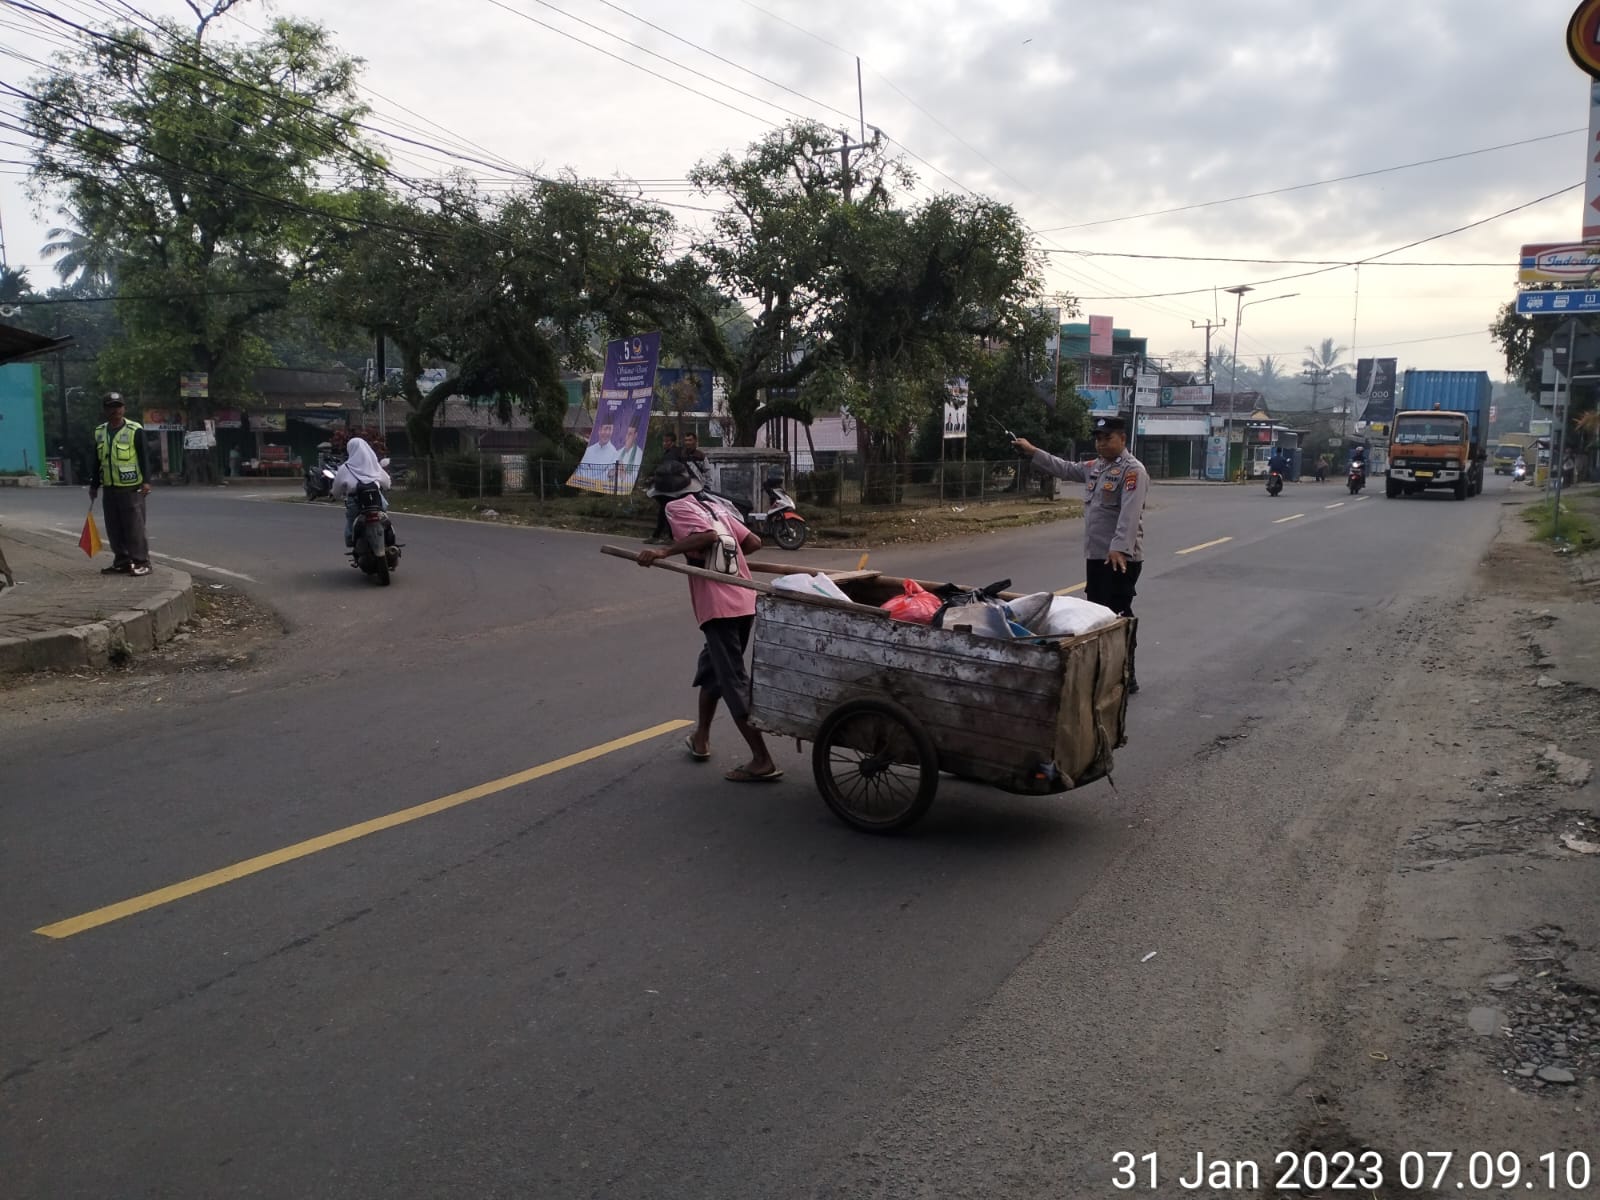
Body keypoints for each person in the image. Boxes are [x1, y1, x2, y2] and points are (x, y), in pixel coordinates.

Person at [636, 458, 781, 782]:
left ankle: (762, 759)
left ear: (661, 495)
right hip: (744, 601)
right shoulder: (715, 506)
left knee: (732, 681)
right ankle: (701, 737)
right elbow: (753, 543)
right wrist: (732, 560)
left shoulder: (676, 509)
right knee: (712, 670)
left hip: (720, 606)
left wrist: (663, 552)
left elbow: (705, 537)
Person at [1013, 414, 1147, 692]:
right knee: (1097, 615)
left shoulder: (1133, 471)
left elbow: (1130, 514)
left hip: (1119, 558)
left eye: (1107, 438)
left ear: (1122, 438)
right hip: (1098, 555)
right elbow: (1064, 468)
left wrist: (1119, 548)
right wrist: (1032, 451)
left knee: (1119, 614)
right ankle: (1102, 671)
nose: (1101, 444)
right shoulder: (1096, 467)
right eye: (1097, 439)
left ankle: (1127, 672)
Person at [88, 392, 153, 576]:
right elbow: (97, 460)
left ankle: (142, 562)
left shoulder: (135, 430)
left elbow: (144, 457)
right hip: (109, 487)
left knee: (134, 527)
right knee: (114, 528)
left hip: (131, 487)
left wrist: (147, 481)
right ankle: (122, 561)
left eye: (118, 406)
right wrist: (94, 486)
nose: (115, 410)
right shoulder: (100, 431)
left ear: (124, 408)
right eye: (111, 406)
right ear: (105, 410)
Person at [330, 436, 391, 548]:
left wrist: (335, 495)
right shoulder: (374, 465)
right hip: (377, 501)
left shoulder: (345, 468)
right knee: (385, 518)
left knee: (351, 522)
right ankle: (389, 538)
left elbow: (336, 490)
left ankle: (351, 539)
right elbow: (387, 484)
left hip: (356, 502)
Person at [645, 431, 683, 544]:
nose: (664, 443)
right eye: (664, 441)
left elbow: (666, 470)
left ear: (672, 442)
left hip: (669, 489)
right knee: (664, 512)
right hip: (672, 488)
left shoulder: (671, 454)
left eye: (667, 441)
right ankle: (660, 536)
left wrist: (653, 479)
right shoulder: (674, 452)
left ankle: (669, 537)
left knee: (667, 512)